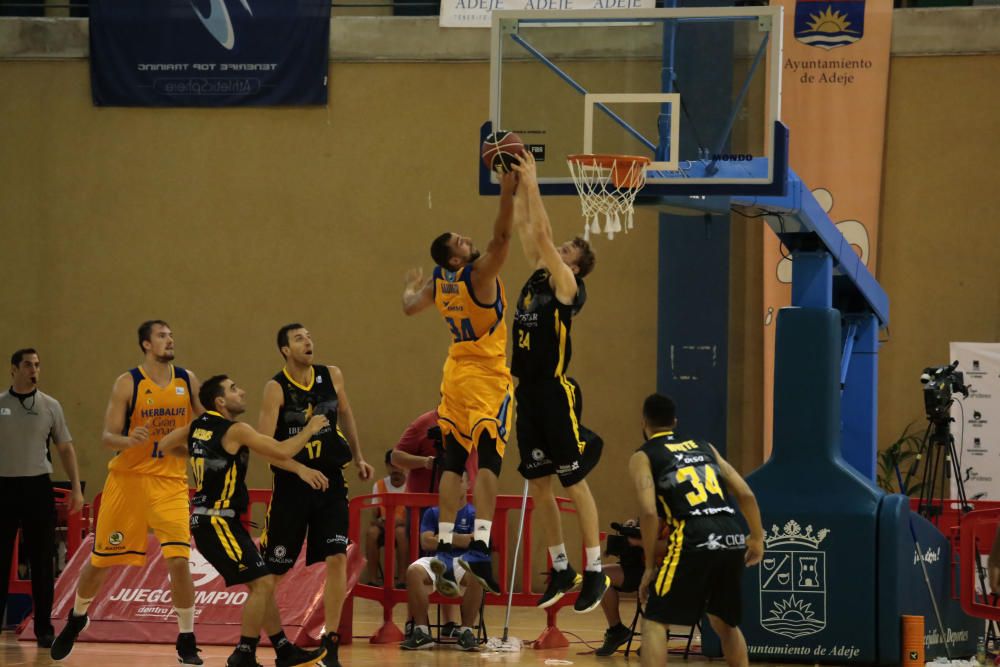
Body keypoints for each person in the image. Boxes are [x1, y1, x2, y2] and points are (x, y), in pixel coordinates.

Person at [52, 321, 204, 663]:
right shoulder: (128, 382)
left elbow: (205, 422)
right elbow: (108, 436)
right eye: (162, 336)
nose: (170, 340)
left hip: (170, 483)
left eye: (171, 335)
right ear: (146, 344)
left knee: (180, 561)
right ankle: (77, 619)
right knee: (100, 563)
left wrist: (199, 442)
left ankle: (186, 638)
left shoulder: (186, 380)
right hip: (128, 483)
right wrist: (129, 439)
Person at [157, 374, 330, 667]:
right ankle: (244, 653)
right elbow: (282, 450)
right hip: (217, 521)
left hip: (214, 521)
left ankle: (283, 649)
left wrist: (200, 454)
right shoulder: (236, 430)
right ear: (220, 401)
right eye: (234, 389)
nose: (242, 391)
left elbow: (164, 444)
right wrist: (311, 428)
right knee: (262, 584)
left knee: (261, 585)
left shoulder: (198, 426)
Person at [401, 170, 518, 596]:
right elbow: (502, 240)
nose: (468, 241)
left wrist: (407, 289)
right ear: (455, 259)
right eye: (461, 243)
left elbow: (410, 309)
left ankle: (447, 546)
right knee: (489, 457)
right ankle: (481, 547)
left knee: (453, 458)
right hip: (486, 375)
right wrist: (508, 194)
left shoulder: (440, 281)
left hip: (454, 375)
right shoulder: (478, 277)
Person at [507, 151, 606, 612]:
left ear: (577, 267)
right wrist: (516, 187)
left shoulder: (568, 287)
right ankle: (562, 567)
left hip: (554, 390)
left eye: (568, 251)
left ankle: (595, 571)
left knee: (573, 482)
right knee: (539, 485)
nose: (557, 250)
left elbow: (542, 233)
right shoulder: (537, 278)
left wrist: (533, 177)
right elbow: (530, 229)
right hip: (524, 391)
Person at [257, 323, 374, 667]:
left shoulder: (331, 376)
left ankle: (331, 641)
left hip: (331, 482)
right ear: (284, 350)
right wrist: (300, 469)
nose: (308, 341)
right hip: (292, 488)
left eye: (309, 336)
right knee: (273, 572)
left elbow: (347, 415)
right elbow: (265, 447)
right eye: (298, 338)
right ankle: (272, 643)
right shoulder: (275, 388)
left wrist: (359, 455)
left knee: (337, 556)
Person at [629, 394, 764, 667]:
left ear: (644, 422)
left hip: (693, 533)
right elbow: (746, 494)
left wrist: (648, 567)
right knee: (725, 622)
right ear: (675, 422)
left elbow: (648, 512)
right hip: (731, 533)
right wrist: (758, 538)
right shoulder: (705, 447)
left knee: (655, 621)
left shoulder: (643, 455)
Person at [0, 348, 84, 648]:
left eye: (37, 365)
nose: (34, 370)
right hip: (4, 488)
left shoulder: (50, 405)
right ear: (14, 369)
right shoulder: (1, 404)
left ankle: (44, 627)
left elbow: (65, 447)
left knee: (42, 560)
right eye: (27, 365)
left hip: (37, 488)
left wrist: (76, 488)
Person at [400, 475, 480, 652]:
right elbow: (426, 542)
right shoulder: (433, 512)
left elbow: (476, 542)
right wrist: (461, 539)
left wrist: (443, 538)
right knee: (413, 570)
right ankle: (421, 632)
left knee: (479, 572)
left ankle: (466, 632)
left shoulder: (476, 513)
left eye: (459, 480)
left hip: (463, 561)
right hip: (439, 559)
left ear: (468, 484)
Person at [594, 519, 668, 657]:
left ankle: (658, 634)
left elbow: (668, 547)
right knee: (599, 576)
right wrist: (633, 527)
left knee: (660, 584)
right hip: (645, 567)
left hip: (671, 573)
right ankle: (617, 630)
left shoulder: (680, 518)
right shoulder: (654, 510)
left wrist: (639, 542)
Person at [390, 410, 478, 494]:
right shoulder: (425, 423)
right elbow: (396, 457)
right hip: (424, 502)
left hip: (468, 502)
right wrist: (425, 462)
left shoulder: (476, 423)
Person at [365, 450, 408, 586]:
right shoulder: (379, 485)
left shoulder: (412, 485)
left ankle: (402, 580)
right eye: (392, 466)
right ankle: (373, 579)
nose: (395, 469)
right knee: (372, 533)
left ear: (405, 466)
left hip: (405, 527)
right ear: (387, 466)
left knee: (400, 533)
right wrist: (383, 522)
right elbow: (374, 517)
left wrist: (399, 522)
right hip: (384, 526)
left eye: (399, 465)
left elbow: (415, 517)